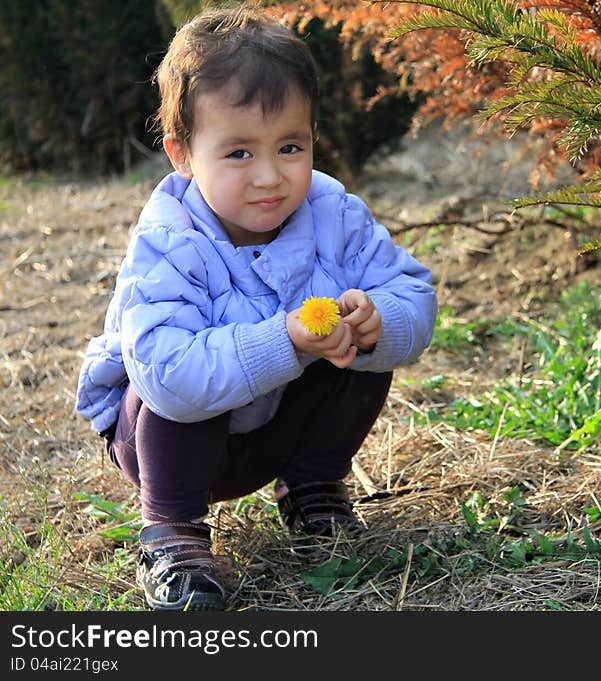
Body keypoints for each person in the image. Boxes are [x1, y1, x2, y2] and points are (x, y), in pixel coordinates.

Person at [75, 4, 437, 611]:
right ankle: (172, 530)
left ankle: (312, 486)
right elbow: (169, 376)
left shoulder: (334, 213)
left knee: (360, 351)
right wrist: (286, 340)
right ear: (183, 155)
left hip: (275, 424)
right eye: (239, 153)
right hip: (167, 444)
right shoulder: (170, 241)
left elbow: (414, 297)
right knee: (174, 382)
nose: (270, 176)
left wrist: (380, 322)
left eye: (290, 146)